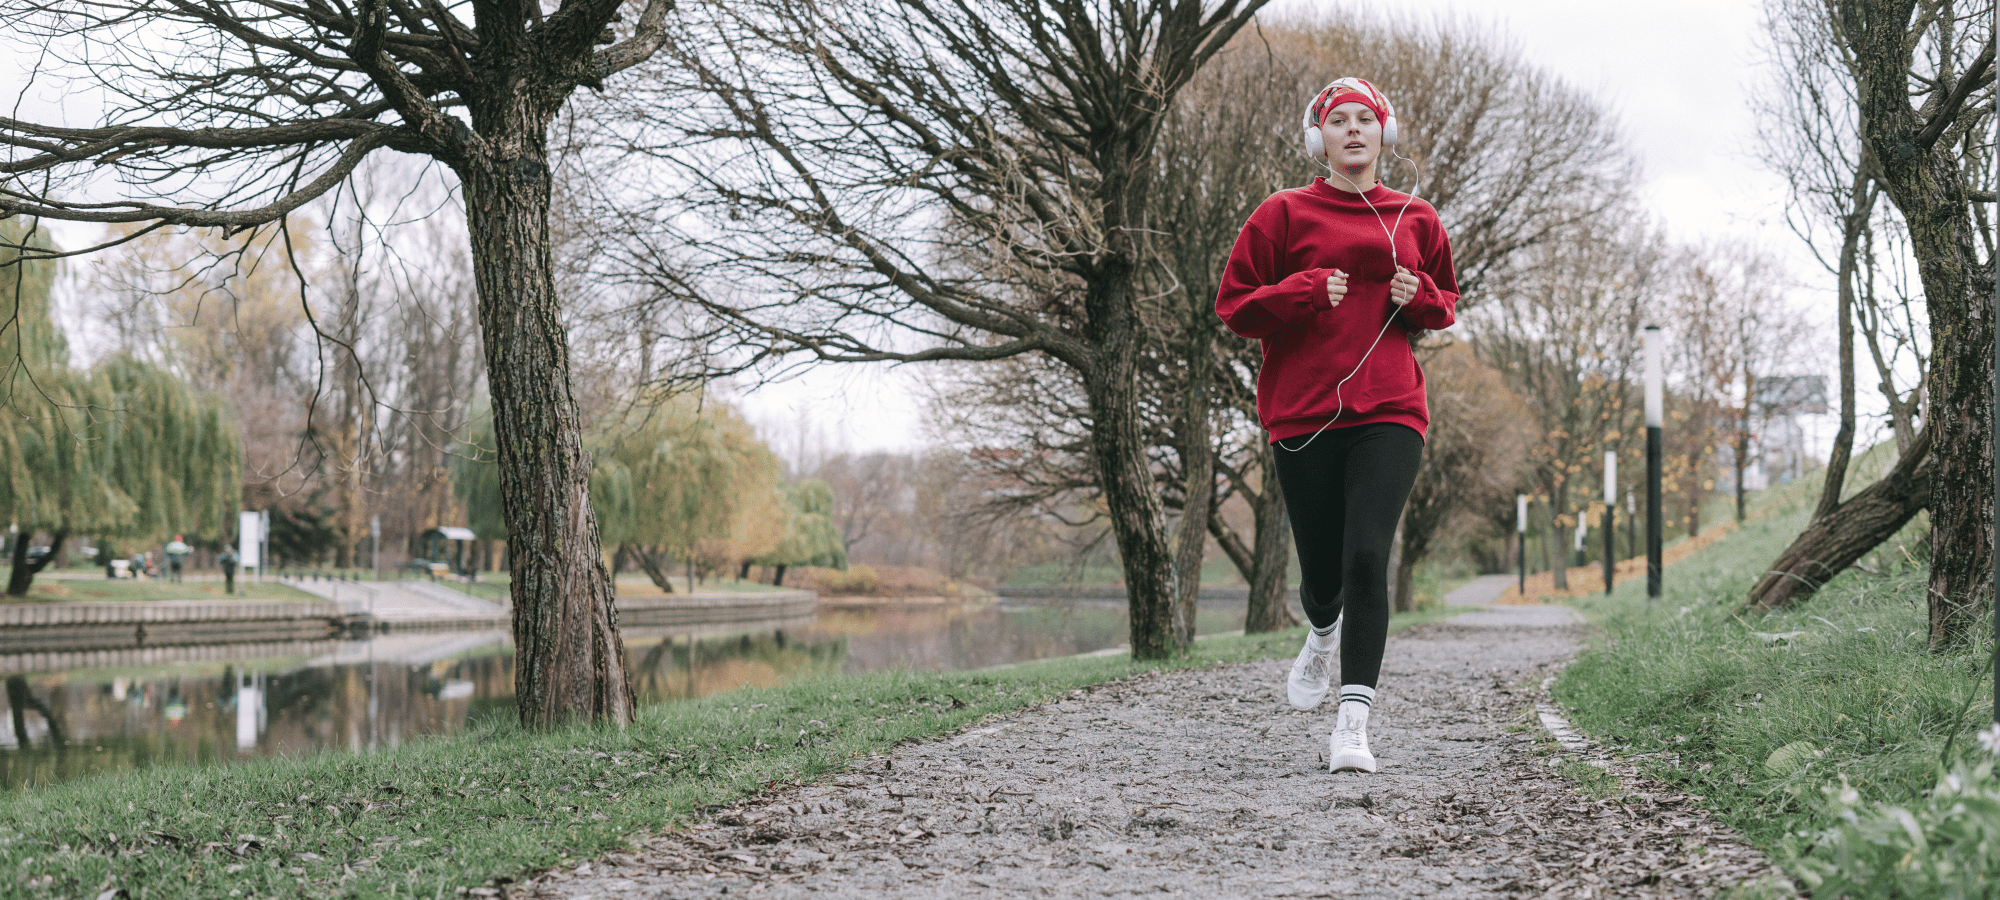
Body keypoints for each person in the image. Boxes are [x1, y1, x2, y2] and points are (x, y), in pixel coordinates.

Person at [1214, 77, 1458, 774]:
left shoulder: (1416, 217)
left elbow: (1445, 303)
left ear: (1384, 132)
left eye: (1365, 119)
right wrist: (1303, 290)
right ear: (1317, 137)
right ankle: (1321, 631)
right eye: (1338, 120)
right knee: (1323, 574)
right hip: (1304, 412)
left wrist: (1419, 297)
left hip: (1391, 410)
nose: (1353, 129)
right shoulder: (1282, 214)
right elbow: (1235, 307)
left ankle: (1353, 724)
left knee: (1366, 559)